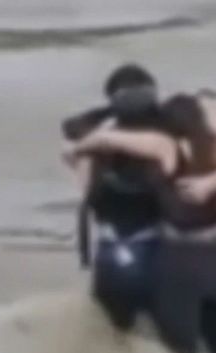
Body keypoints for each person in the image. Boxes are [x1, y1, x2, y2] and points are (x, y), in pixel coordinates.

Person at [68, 91, 216, 353]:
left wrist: (78, 149)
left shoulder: (166, 147)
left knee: (182, 351)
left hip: (176, 259)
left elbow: (107, 140)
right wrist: (212, 183)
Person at [62, 64, 169, 334]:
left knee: (114, 335)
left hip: (112, 255)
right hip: (164, 257)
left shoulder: (93, 149)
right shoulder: (170, 142)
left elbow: (71, 129)